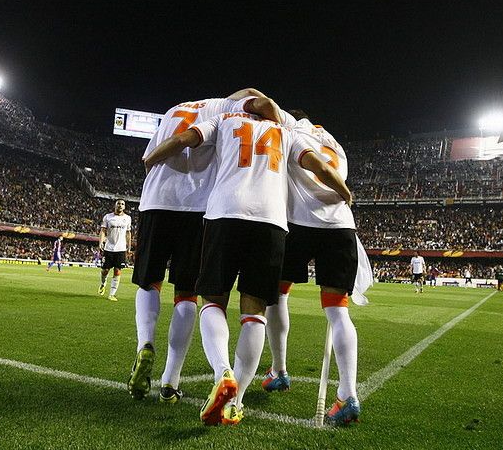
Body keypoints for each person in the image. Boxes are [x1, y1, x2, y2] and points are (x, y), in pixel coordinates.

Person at [143, 108, 350, 426]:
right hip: (271, 222)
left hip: (224, 213)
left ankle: (222, 371)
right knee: (255, 313)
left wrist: (150, 158)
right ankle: (235, 401)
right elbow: (317, 165)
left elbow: (184, 138)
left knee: (213, 301)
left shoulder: (224, 119)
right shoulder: (286, 133)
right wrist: (344, 191)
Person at [126, 88, 278, 403]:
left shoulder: (173, 109)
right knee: (186, 294)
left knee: (148, 282)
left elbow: (166, 144)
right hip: (197, 207)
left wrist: (147, 161)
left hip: (155, 199)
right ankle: (170, 380)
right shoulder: (227, 109)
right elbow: (258, 99)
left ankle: (144, 344)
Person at [261, 110, 361, 426]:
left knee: (276, 296)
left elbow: (315, 166)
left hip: (300, 225)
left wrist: (345, 193)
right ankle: (347, 395)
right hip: (341, 226)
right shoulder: (332, 141)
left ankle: (279, 370)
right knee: (338, 311)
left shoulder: (293, 134)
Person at [99, 200, 133, 301]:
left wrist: (129, 246)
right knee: (105, 270)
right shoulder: (108, 217)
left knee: (117, 271)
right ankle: (103, 283)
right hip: (109, 248)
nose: (120, 205)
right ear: (115, 205)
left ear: (124, 207)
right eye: (118, 203)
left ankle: (112, 294)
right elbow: (103, 231)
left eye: (122, 204)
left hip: (121, 248)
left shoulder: (127, 218)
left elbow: (128, 233)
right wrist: (101, 242)